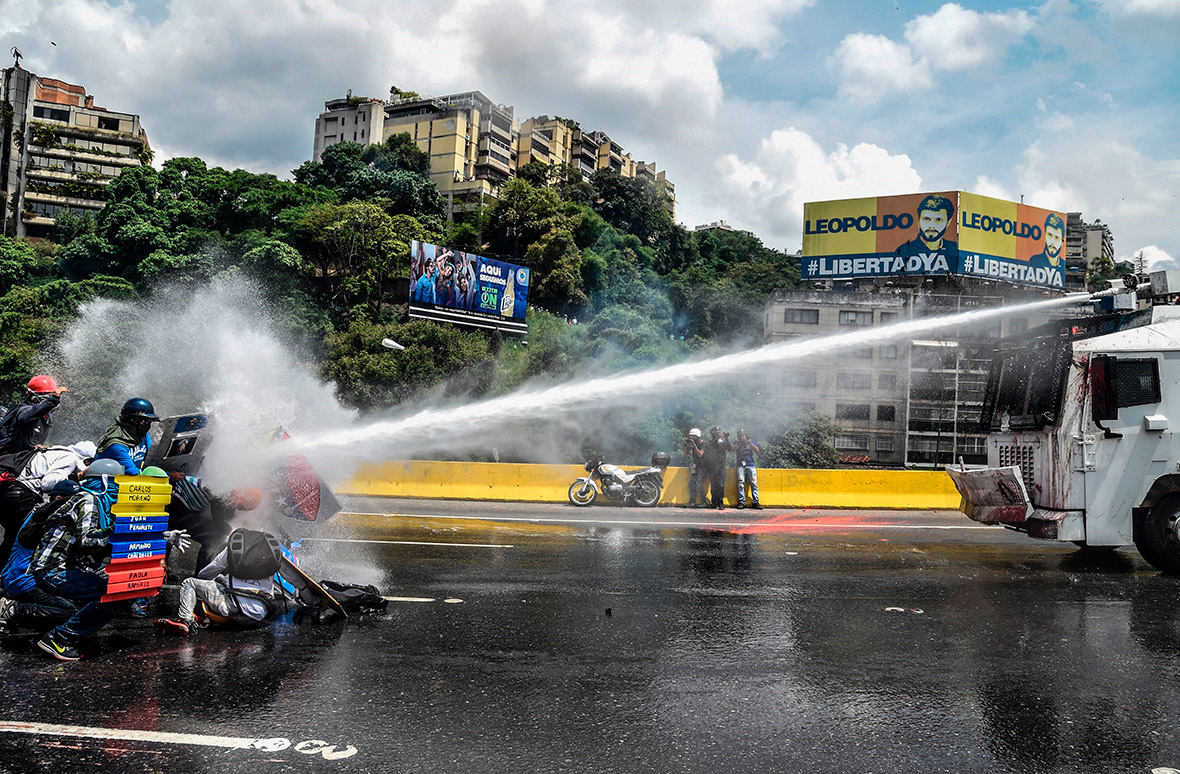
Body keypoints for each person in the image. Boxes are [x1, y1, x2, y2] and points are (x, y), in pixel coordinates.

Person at [29, 458, 186, 661]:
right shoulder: (87, 499)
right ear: (104, 481)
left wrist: (163, 535)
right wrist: (121, 527)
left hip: (65, 568)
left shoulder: (97, 502)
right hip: (52, 571)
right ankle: (59, 638)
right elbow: (89, 540)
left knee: (121, 583)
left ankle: (77, 629)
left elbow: (118, 539)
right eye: (115, 483)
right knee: (117, 592)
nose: (118, 488)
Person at [153, 529, 322, 636]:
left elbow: (204, 575)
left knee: (190, 583)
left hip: (231, 607)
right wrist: (314, 602)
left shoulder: (230, 552)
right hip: (260, 613)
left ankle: (186, 620)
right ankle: (208, 619)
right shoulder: (274, 554)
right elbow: (299, 583)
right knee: (221, 582)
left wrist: (216, 579)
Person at [0, 441, 96, 572]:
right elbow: (47, 483)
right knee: (24, 539)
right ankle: (13, 576)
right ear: (87, 460)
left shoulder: (55, 450)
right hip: (21, 496)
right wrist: (77, 476)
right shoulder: (70, 458)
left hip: (7, 492)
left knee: (11, 538)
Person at [0, 375, 69, 455]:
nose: (48, 402)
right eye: (46, 398)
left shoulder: (45, 416)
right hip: (11, 455)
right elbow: (32, 413)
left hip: (25, 454)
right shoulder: (25, 410)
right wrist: (53, 400)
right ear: (34, 398)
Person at [95, 398, 160, 476]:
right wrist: (169, 476)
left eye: (149, 422)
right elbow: (132, 472)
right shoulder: (116, 445)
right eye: (145, 422)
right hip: (110, 486)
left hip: (129, 484)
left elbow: (152, 457)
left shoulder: (142, 435)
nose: (148, 426)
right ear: (133, 421)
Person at [895, 194, 957, 260]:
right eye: (926, 219)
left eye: (938, 220)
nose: (932, 226)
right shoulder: (904, 251)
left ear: (948, 222)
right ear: (918, 220)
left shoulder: (955, 249)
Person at [701, 426, 731, 510]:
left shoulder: (722, 443)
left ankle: (720, 502)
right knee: (714, 485)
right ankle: (714, 502)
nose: (717, 435)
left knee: (721, 485)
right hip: (713, 467)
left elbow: (730, 448)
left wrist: (727, 438)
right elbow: (709, 447)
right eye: (716, 434)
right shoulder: (709, 443)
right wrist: (717, 438)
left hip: (721, 467)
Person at [731, 430, 763, 510]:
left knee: (753, 483)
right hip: (740, 465)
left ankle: (756, 501)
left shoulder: (750, 442)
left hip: (750, 464)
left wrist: (749, 443)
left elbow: (757, 450)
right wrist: (739, 443)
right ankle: (742, 502)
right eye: (739, 436)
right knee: (741, 483)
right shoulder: (737, 442)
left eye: (742, 435)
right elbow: (732, 449)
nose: (741, 437)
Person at [681, 428, 706, 508]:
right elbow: (685, 453)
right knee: (691, 483)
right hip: (695, 466)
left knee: (699, 483)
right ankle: (692, 501)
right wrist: (685, 444)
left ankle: (703, 502)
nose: (692, 438)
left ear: (698, 437)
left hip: (703, 467)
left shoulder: (703, 443)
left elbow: (700, 454)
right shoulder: (692, 443)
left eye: (694, 437)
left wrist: (694, 446)